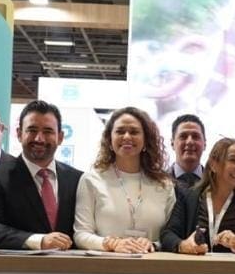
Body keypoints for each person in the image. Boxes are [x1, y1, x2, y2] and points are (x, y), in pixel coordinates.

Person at [0, 101, 83, 250]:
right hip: (20, 264)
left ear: (60, 137)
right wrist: (38, 241)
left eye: (48, 131)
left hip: (70, 264)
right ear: (19, 134)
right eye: (32, 130)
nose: (39, 138)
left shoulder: (77, 180)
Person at [73, 106, 176, 253]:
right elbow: (81, 234)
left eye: (134, 132)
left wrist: (154, 244)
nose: (127, 136)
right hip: (106, 264)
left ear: (146, 140)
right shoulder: (91, 180)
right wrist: (110, 244)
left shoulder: (164, 184)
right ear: (109, 140)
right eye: (120, 131)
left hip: (151, 264)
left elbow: (172, 235)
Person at [161, 138, 235, 255]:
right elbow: (168, 235)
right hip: (195, 266)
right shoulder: (189, 198)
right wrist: (183, 245)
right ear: (213, 164)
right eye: (233, 160)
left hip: (233, 267)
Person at [168, 113, 207, 190]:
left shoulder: (218, 183)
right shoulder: (156, 183)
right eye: (183, 136)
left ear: (205, 144)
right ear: (172, 143)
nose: (190, 142)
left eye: (195, 136)